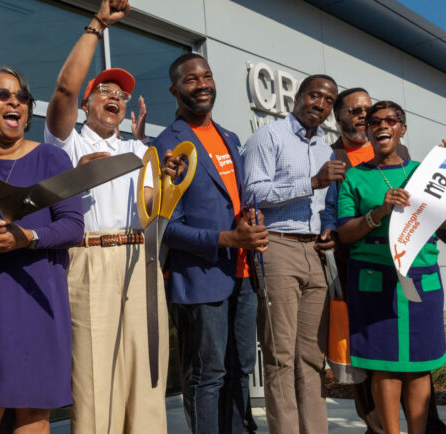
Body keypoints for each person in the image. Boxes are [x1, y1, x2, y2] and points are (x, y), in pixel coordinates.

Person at [43, 1, 183, 432]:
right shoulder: (65, 142)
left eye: (121, 95)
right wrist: (97, 26)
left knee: (146, 376)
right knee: (93, 375)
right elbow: (64, 90)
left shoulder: (142, 151)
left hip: (140, 260)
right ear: (87, 102)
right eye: (105, 91)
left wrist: (170, 183)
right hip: (90, 259)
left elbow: (152, 214)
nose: (115, 99)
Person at [331, 88, 446, 434]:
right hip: (373, 279)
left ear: (402, 129)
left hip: (421, 278)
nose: (381, 125)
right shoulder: (355, 176)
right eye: (374, 122)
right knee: (384, 365)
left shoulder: (423, 172)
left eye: (390, 120)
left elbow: (442, 224)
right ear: (368, 132)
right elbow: (344, 234)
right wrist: (379, 212)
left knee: (418, 366)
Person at [152, 52, 268, 433]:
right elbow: (164, 226)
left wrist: (247, 221)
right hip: (201, 277)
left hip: (243, 273)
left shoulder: (230, 137)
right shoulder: (167, 146)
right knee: (208, 375)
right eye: (191, 79)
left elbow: (231, 200)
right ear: (174, 89)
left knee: (241, 369)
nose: (202, 84)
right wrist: (225, 238)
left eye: (206, 76)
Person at [0, 66, 84, 434]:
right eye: (3, 95)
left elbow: (73, 226)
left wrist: (29, 237)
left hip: (38, 298)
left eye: (21, 97)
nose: (15, 102)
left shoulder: (52, 160)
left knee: (33, 413)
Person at [243, 74, 343, 434]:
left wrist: (329, 227)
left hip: (314, 252)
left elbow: (328, 204)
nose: (320, 104)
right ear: (298, 96)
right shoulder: (269, 136)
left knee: (312, 358)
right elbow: (252, 193)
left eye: (328, 100)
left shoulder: (325, 149)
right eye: (314, 96)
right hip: (277, 246)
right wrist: (311, 183)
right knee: (280, 357)